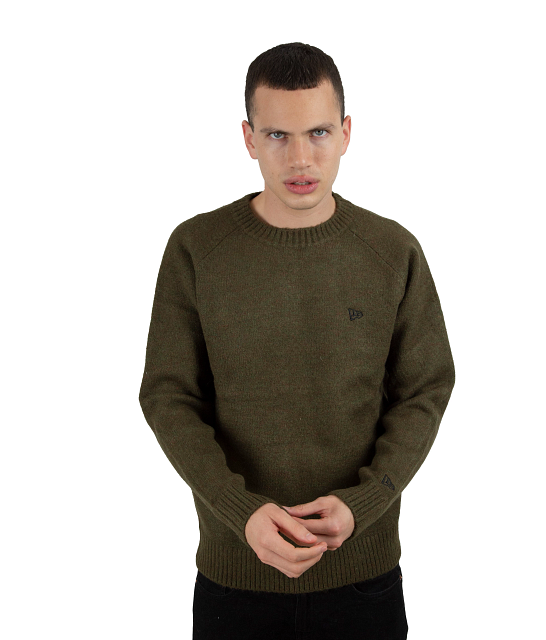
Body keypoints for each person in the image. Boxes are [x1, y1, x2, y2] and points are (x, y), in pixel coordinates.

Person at [138, 42, 455, 640]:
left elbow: (425, 390)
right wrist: (240, 513)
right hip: (235, 579)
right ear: (249, 138)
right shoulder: (197, 249)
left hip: (363, 578)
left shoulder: (392, 251)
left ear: (347, 133)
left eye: (318, 132)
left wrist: (365, 504)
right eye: (278, 136)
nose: (300, 157)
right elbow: (168, 396)